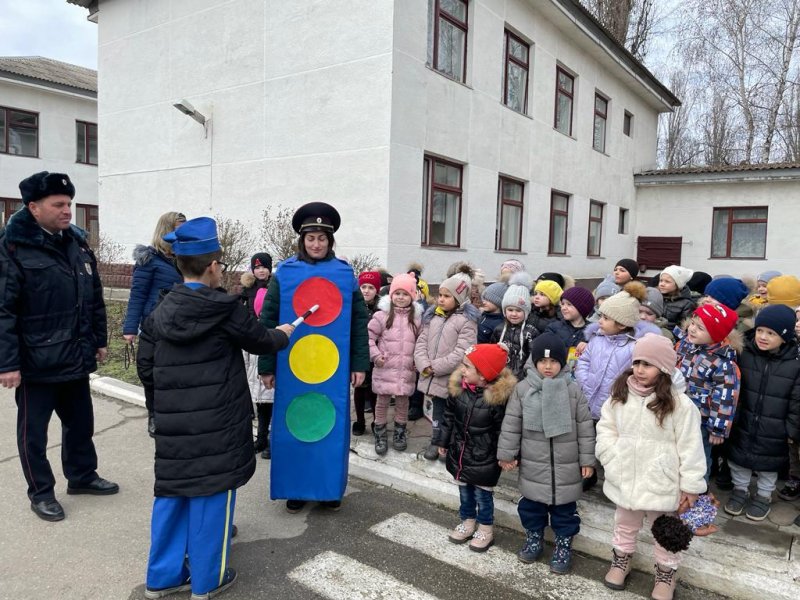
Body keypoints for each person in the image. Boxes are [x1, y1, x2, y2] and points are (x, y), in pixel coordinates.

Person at [137, 217, 293, 599]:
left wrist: (164, 408)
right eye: (220, 264)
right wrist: (285, 334)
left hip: (175, 424)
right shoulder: (225, 309)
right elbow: (261, 341)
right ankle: (208, 580)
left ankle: (163, 578)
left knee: (172, 494)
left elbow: (146, 368)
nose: (222, 269)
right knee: (212, 495)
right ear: (211, 267)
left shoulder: (159, 312)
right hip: (218, 423)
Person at [0, 171, 117, 522]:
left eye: (69, 203)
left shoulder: (77, 244)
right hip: (36, 362)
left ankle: (82, 476)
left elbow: (93, 297)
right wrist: (7, 364)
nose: (68, 210)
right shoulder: (12, 248)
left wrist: (98, 340)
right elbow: (3, 309)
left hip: (74, 356)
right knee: (33, 434)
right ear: (34, 208)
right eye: (59, 204)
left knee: (81, 423)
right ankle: (41, 492)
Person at [258, 202, 370, 514]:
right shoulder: (286, 274)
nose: (317, 244)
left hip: (331, 370)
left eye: (322, 238)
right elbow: (268, 320)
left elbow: (358, 322)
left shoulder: (345, 274)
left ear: (330, 241)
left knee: (328, 427)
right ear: (302, 241)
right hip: (294, 367)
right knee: (296, 424)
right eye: (311, 238)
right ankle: (296, 487)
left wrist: (360, 364)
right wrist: (267, 365)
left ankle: (327, 489)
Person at [596, 334, 706, 600]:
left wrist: (691, 485)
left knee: (666, 532)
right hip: (626, 475)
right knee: (624, 523)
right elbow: (606, 428)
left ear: (665, 368)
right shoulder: (620, 395)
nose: (640, 369)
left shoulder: (680, 405)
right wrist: (611, 455)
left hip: (662, 481)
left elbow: (691, 448)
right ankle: (621, 559)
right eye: (637, 362)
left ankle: (666, 573)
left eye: (649, 364)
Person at [497, 333, 595, 574]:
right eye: (542, 361)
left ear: (562, 362)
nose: (548, 366)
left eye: (553, 362)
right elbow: (511, 423)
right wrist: (507, 453)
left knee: (565, 512)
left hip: (566, 464)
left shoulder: (572, 390)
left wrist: (587, 460)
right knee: (531, 508)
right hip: (534, 463)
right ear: (534, 361)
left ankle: (563, 545)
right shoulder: (523, 389)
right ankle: (534, 538)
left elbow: (585, 427)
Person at [575, 282, 658, 490]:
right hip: (589, 399)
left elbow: (636, 373)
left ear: (621, 324)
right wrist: (584, 380)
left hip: (614, 405)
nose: (599, 321)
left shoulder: (633, 347)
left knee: (611, 443)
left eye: (605, 318)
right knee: (587, 439)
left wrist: (621, 391)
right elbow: (583, 361)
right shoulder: (597, 339)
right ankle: (588, 473)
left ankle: (613, 479)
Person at [724, 305, 800, 522]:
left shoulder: (794, 365)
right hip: (744, 420)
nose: (763, 337)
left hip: (774, 427)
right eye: (760, 330)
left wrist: (791, 429)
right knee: (738, 459)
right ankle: (740, 490)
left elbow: (796, 401)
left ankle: (764, 496)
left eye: (771, 333)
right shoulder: (744, 353)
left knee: (768, 465)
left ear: (784, 337)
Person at [438, 344, 515, 552]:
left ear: (483, 375)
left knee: (483, 494)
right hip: (460, 452)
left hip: (485, 457)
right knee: (464, 491)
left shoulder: (497, 400)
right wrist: (443, 441)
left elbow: (504, 430)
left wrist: (505, 455)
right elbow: (448, 418)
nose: (462, 370)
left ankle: (486, 528)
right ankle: (468, 521)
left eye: (467, 367)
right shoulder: (459, 390)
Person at [414, 262, 478, 461]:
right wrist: (424, 364)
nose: (441, 299)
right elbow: (421, 342)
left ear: (458, 299)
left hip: (451, 377)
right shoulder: (432, 317)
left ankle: (449, 443)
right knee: (436, 412)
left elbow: (462, 352)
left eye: (447, 296)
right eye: (440, 295)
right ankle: (436, 440)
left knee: (452, 413)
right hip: (431, 374)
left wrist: (437, 367)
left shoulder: (466, 321)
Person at [674, 304, 741, 483]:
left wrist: (718, 429)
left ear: (716, 335)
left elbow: (726, 397)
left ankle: (697, 494)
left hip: (700, 421)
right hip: (675, 414)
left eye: (700, 328)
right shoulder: (684, 346)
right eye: (693, 323)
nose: (692, 329)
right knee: (674, 456)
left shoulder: (723, 364)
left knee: (698, 459)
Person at [368, 273, 422, 454]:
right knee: (382, 401)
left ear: (412, 296)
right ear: (391, 295)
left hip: (406, 369)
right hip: (385, 367)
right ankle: (380, 433)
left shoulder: (416, 319)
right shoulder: (381, 316)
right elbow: (368, 338)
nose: (400, 297)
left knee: (402, 402)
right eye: (397, 293)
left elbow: (421, 342)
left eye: (405, 294)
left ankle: (400, 432)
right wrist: (375, 355)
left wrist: (417, 360)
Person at [240, 252, 274, 458]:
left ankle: (271, 439)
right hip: (253, 344)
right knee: (260, 399)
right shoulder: (247, 291)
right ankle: (260, 438)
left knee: (272, 396)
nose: (261, 270)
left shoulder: (275, 288)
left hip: (270, 341)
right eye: (257, 267)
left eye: (264, 267)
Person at [491, 273, 539, 379]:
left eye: (518, 310)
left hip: (523, 378)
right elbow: (492, 353)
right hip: (501, 377)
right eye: (510, 310)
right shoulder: (498, 330)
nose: (513, 314)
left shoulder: (531, 333)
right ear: (504, 310)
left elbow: (533, 357)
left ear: (526, 312)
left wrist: (527, 375)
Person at [352, 270, 381, 435]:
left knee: (374, 389)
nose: (366, 290)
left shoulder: (381, 309)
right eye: (363, 286)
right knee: (359, 388)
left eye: (371, 287)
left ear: (377, 290)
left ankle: (377, 421)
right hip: (359, 353)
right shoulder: (354, 307)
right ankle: (360, 420)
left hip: (375, 354)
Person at [546, 286, 595, 373]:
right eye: (563, 304)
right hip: (557, 375)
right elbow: (545, 351)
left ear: (582, 308)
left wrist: (590, 347)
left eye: (569, 304)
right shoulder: (553, 328)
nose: (563, 308)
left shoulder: (593, 331)